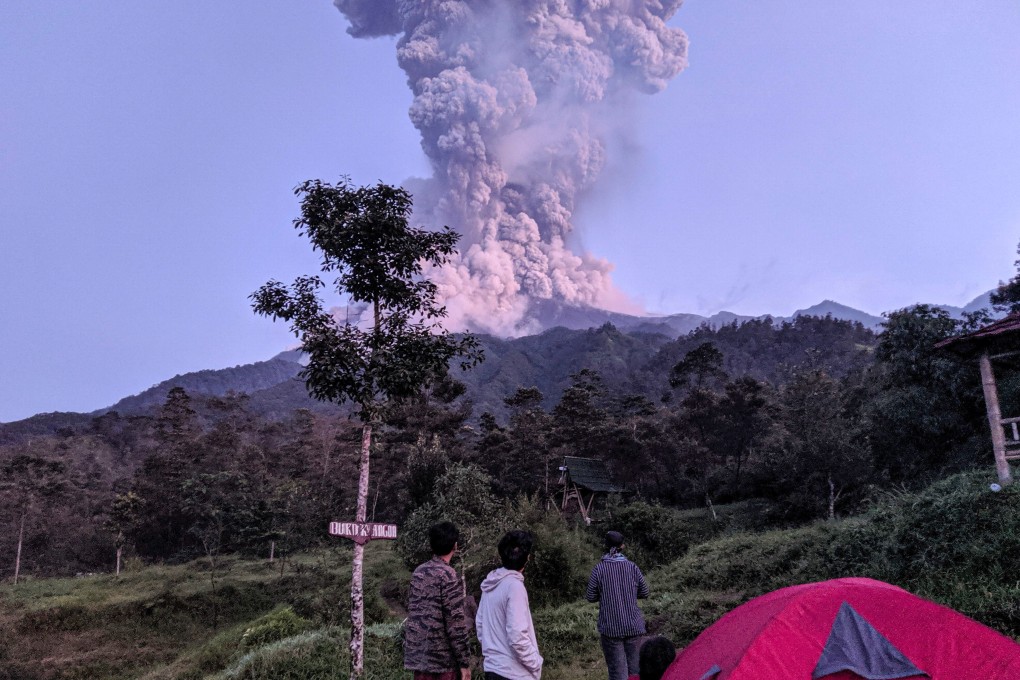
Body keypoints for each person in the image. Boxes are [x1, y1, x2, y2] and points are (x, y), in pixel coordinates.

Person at [404, 521, 472, 680]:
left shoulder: (418, 572)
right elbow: (455, 623)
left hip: (419, 659)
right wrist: (464, 663)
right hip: (442, 663)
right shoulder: (448, 574)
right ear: (455, 546)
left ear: (431, 546)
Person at [476, 530, 543, 680]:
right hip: (514, 673)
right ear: (527, 558)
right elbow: (517, 636)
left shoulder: (490, 583)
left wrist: (493, 652)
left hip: (492, 670)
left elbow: (480, 626)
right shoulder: (514, 587)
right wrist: (536, 662)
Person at [586, 530, 650, 680]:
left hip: (611, 629)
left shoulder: (599, 569)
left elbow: (590, 596)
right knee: (636, 672)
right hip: (634, 626)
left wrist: (605, 595)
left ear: (606, 546)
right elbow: (645, 592)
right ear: (622, 546)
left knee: (618, 674)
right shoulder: (632, 567)